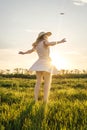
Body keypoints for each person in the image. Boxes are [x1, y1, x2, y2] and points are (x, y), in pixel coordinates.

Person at [19, 32, 66, 103]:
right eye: (46, 35)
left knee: (38, 82)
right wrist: (60, 41)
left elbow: (30, 51)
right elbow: (50, 44)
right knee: (47, 82)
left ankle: (35, 99)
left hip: (39, 63)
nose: (47, 36)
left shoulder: (37, 44)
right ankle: (45, 100)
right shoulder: (44, 41)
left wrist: (23, 53)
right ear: (43, 36)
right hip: (46, 63)